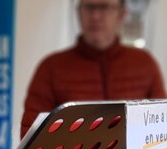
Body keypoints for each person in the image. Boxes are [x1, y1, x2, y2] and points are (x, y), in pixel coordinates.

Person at [20, 0, 166, 138]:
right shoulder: (50, 67)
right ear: (78, 13)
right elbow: (30, 135)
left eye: (104, 7)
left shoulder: (145, 64)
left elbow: (162, 125)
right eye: (89, 7)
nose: (95, 16)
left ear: (122, 14)